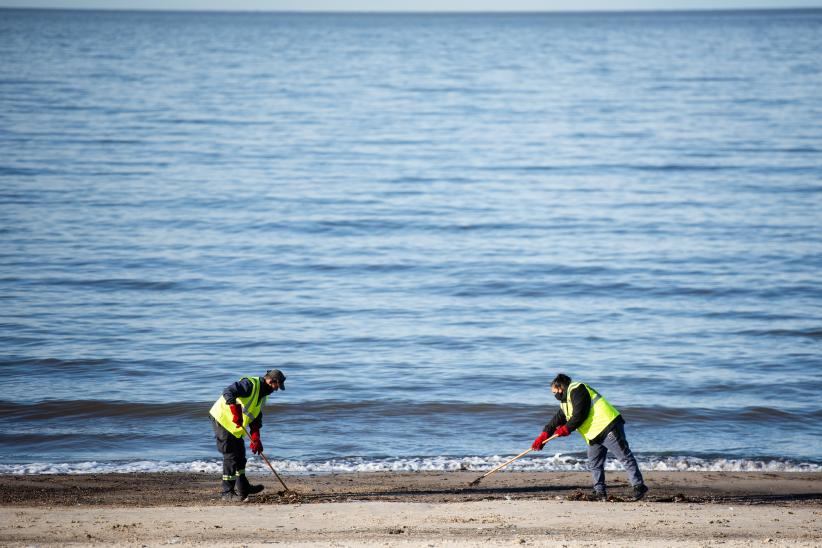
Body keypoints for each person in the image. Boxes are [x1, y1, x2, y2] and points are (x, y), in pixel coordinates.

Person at [532, 373, 648, 501]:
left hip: (608, 425)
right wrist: (543, 437)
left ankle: (639, 486)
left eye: (555, 392)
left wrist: (566, 429)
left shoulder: (577, 389)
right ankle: (600, 492)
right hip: (593, 434)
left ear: (560, 387)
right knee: (595, 463)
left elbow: (579, 414)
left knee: (624, 456)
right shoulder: (565, 403)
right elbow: (556, 421)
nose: (555, 395)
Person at [209, 369, 286, 502]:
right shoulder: (250, 385)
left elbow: (256, 417)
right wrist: (235, 410)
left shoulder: (262, 395)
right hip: (222, 419)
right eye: (276, 386)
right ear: (270, 381)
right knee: (231, 456)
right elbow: (228, 392)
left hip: (236, 426)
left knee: (240, 455)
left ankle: (243, 487)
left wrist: (256, 437)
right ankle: (227, 492)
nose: (276, 390)